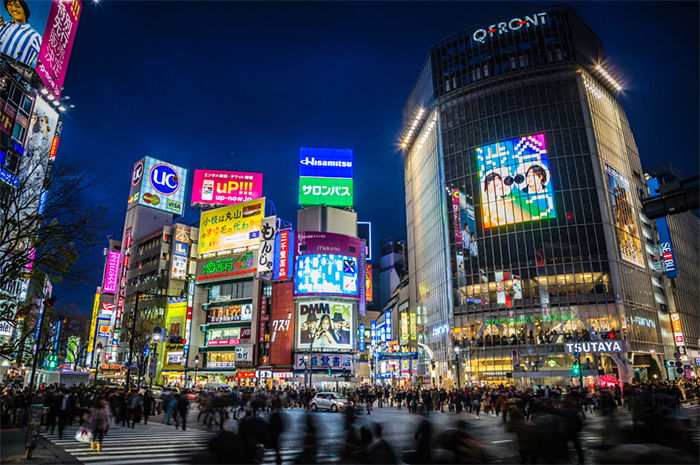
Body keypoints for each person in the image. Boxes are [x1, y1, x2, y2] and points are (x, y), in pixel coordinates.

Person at [0, 0, 42, 67]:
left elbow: (46, 59)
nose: (13, 9)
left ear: (24, 9)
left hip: (12, 75)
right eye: (10, 5)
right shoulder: (6, 25)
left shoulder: (34, 36)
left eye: (17, 6)